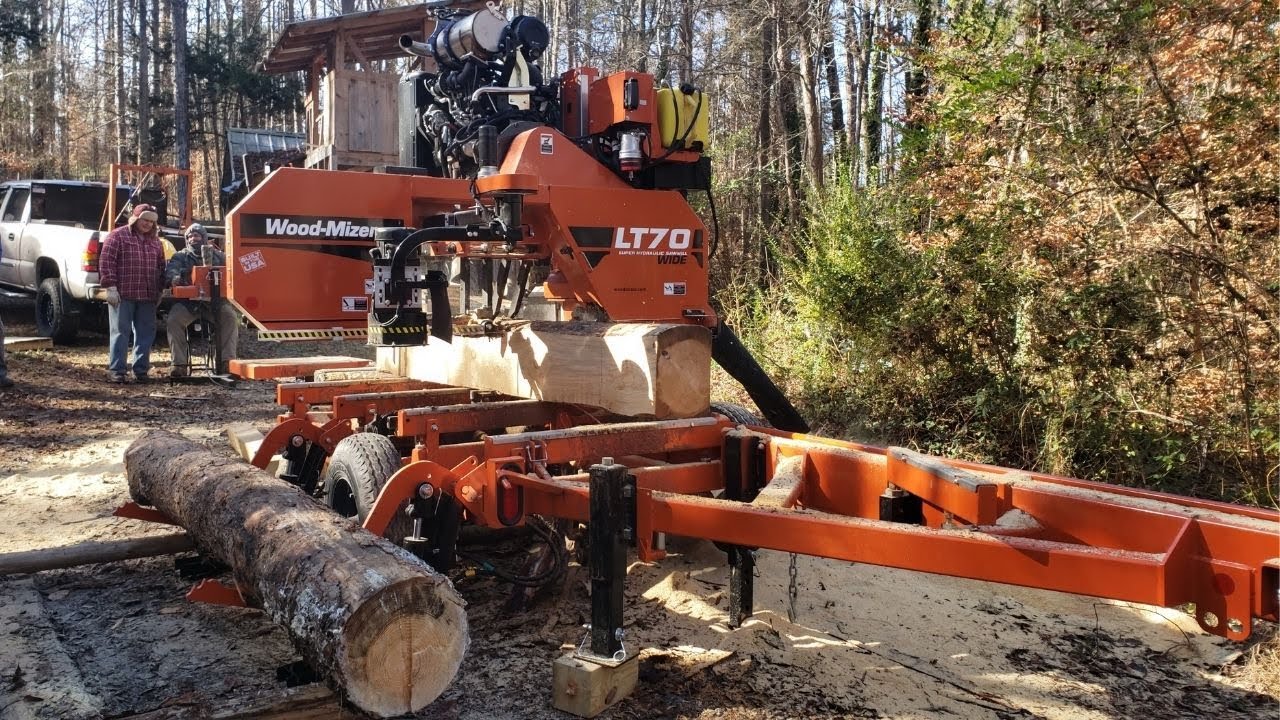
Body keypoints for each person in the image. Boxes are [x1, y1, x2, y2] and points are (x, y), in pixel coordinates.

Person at [100, 204, 167, 383]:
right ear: (135, 219)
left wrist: (160, 289)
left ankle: (141, 371)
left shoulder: (156, 242)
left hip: (148, 295)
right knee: (120, 333)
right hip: (123, 294)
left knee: (146, 334)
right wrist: (110, 287)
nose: (148, 224)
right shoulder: (117, 236)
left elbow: (161, 267)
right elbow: (107, 262)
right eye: (145, 220)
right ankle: (117, 371)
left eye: (152, 221)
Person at [165, 223, 238, 378]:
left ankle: (226, 363)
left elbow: (233, 272)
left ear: (204, 237)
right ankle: (179, 365)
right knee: (173, 320)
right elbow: (171, 270)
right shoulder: (180, 256)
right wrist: (174, 278)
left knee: (230, 318)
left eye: (197, 235)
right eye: (190, 236)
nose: (193, 239)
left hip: (215, 304)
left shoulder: (220, 256)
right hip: (188, 304)